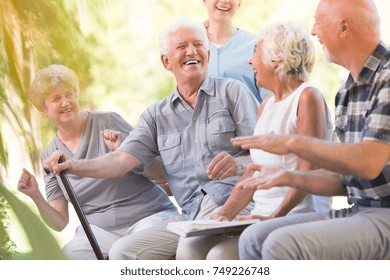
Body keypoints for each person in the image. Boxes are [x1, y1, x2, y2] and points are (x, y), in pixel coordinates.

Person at [43, 19, 259, 260]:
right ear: (166, 61)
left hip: (235, 203)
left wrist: (238, 163)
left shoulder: (232, 92)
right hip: (189, 217)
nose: (191, 51)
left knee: (192, 251)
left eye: (198, 45)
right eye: (182, 46)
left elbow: (263, 155)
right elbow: (120, 161)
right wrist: (74, 165)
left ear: (207, 54)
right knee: (123, 252)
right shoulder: (156, 115)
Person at [231, 0, 390, 260]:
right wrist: (286, 176)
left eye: (318, 20)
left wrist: (292, 143)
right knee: (253, 238)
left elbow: (369, 163)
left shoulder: (387, 78)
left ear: (343, 26)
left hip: (385, 211)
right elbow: (341, 181)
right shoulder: (347, 91)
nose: (314, 32)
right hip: (359, 209)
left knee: (281, 245)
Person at [178, 20, 333, 260]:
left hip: (296, 218)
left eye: (256, 53)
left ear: (277, 58)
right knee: (191, 247)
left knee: (220, 257)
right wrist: (224, 215)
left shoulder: (307, 97)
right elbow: (252, 172)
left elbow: (307, 171)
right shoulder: (265, 106)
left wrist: (273, 217)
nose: (250, 61)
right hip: (262, 218)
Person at [17, 64, 178, 259]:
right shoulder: (49, 155)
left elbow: (159, 172)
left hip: (148, 217)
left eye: (69, 94)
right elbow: (59, 222)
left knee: (125, 254)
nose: (66, 102)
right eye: (56, 98)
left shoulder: (108, 122)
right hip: (101, 232)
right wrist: (35, 195)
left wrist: (124, 150)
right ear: (44, 109)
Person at [203, 0, 269, 102]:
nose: (224, 1)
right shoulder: (192, 46)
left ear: (239, 3)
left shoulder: (255, 46)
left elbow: (269, 99)